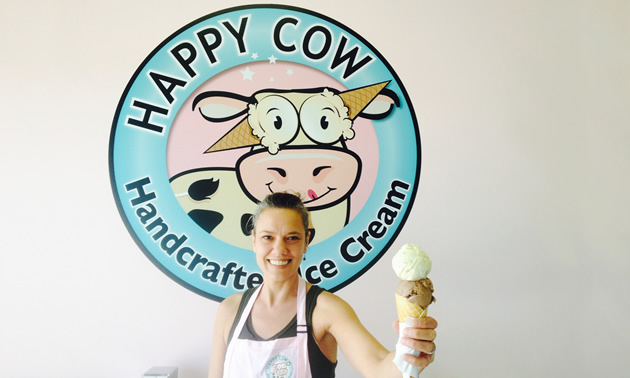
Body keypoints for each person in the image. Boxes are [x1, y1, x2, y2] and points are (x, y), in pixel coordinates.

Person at [208, 192, 437, 378]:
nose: (279, 249)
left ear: (306, 242)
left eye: (292, 237)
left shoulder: (327, 310)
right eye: (268, 237)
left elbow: (379, 368)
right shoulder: (229, 310)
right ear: (254, 241)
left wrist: (408, 351)